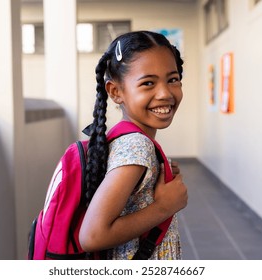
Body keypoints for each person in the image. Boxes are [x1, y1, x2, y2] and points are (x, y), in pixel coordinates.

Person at [79, 30, 188, 260]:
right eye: (148, 83)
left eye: (173, 79)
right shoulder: (137, 147)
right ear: (116, 92)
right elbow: (92, 236)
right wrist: (165, 206)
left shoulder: (125, 139)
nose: (165, 93)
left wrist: (157, 168)